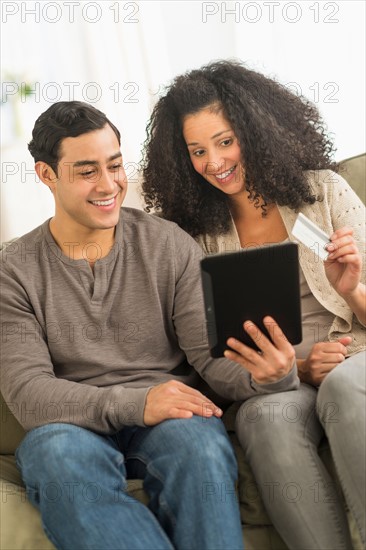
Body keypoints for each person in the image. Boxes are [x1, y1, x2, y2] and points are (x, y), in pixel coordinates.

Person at [0, 101, 301, 550]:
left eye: (115, 166)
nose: (108, 186)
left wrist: (267, 376)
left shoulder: (168, 244)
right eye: (87, 172)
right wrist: (138, 403)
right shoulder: (13, 269)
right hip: (70, 424)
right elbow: (30, 394)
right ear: (47, 175)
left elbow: (209, 357)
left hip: (171, 418)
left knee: (200, 447)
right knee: (56, 454)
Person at [141, 60, 366, 549]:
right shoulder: (192, 237)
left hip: (356, 356)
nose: (214, 162)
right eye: (197, 151)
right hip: (276, 378)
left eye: (225, 141)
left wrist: (351, 289)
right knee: (264, 420)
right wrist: (300, 369)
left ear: (258, 131)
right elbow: (210, 348)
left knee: (348, 386)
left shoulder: (324, 191)